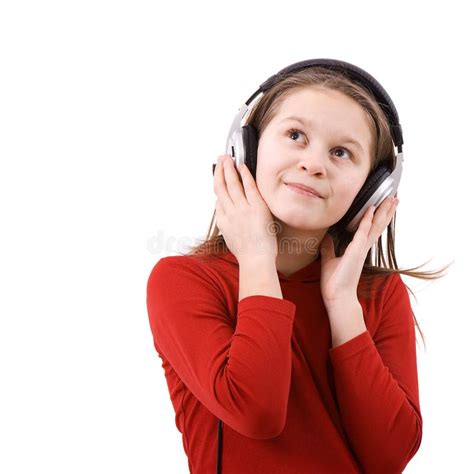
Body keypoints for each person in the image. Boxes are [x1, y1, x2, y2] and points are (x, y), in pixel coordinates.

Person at [146, 59, 448, 473]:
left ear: (373, 190)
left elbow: (389, 457)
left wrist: (342, 305)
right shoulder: (184, 281)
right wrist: (257, 258)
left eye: (341, 152)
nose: (314, 163)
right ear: (245, 149)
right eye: (295, 135)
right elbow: (256, 412)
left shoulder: (377, 294)